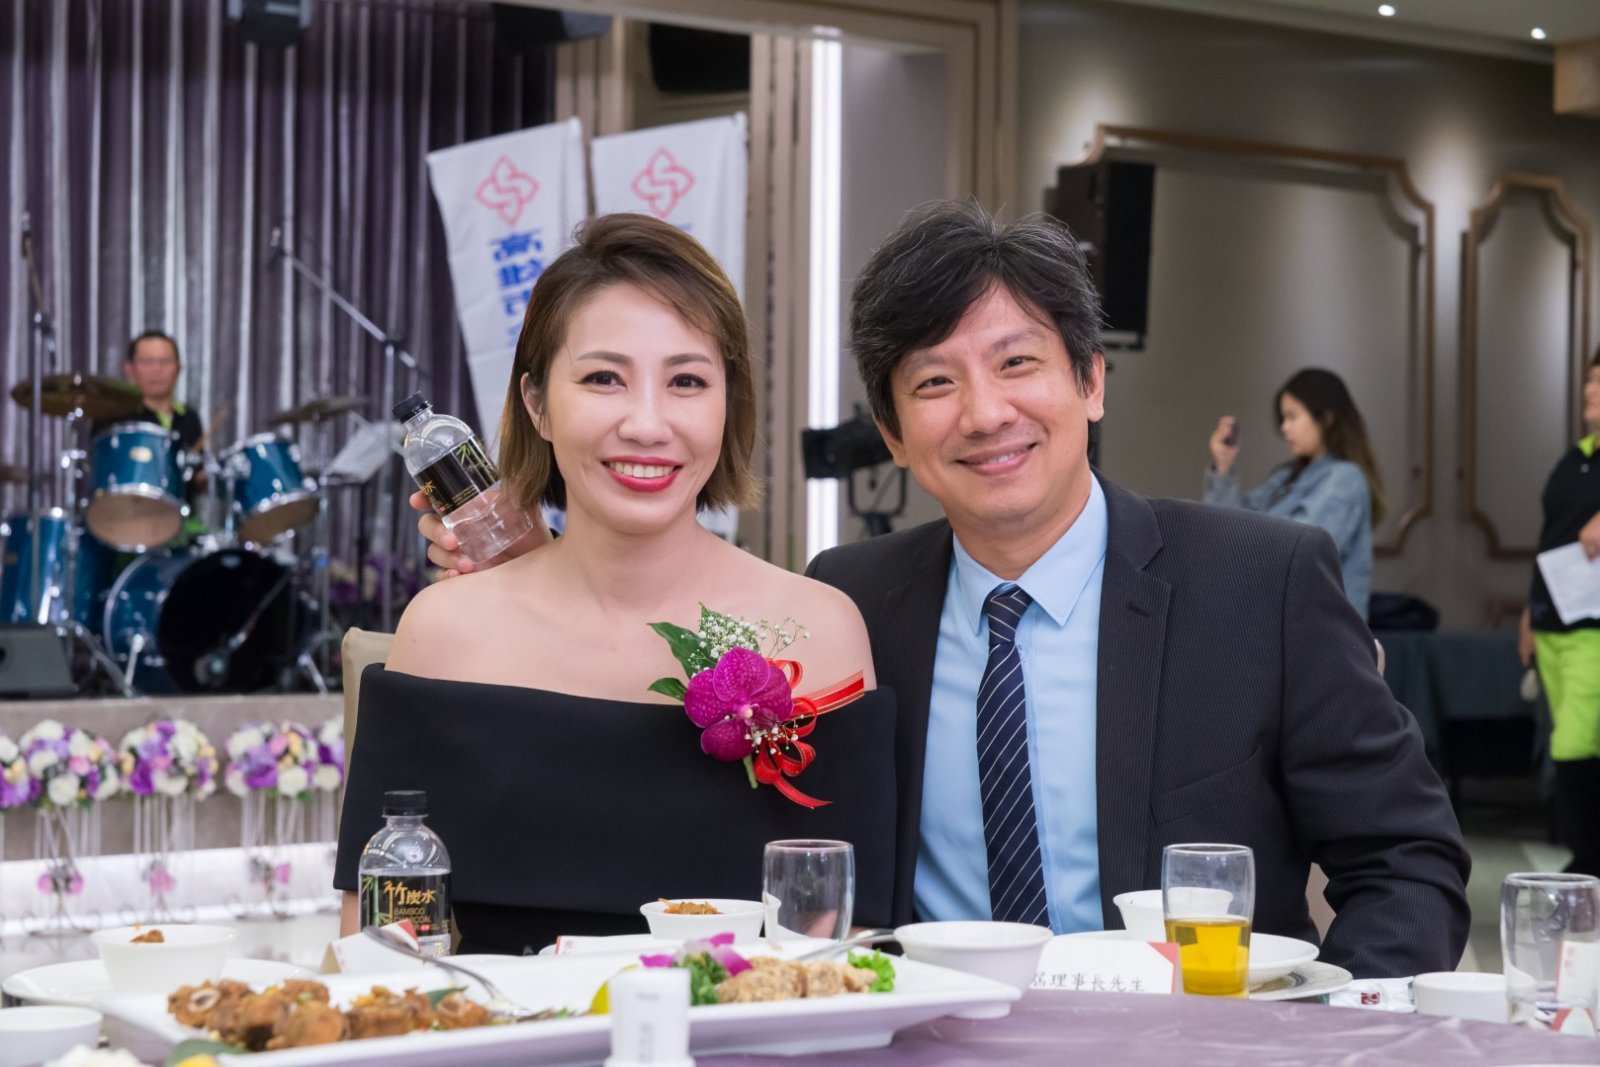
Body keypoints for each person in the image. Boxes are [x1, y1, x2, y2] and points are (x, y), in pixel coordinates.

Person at [417, 201, 1469, 978]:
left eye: (1017, 364)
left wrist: (1319, 1039)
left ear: (1090, 380)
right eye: (934, 381)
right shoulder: (842, 607)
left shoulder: (1257, 582)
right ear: (891, 431)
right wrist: (525, 582)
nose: (984, 413)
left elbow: (1405, 861)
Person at [336, 214, 895, 954]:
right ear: (536, 404)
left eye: (687, 381)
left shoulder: (820, 631)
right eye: (604, 378)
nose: (647, 424)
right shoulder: (446, 633)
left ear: (729, 405)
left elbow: (849, 950)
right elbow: (377, 953)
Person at [1203, 369, 1384, 620]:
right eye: (1283, 418)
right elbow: (1229, 527)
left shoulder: (1346, 479)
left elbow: (1298, 554)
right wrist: (1223, 467)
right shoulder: (1287, 476)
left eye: (1292, 416)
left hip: (1320, 633)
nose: (1284, 427)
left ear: (1326, 418)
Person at [1518, 349, 1600, 877]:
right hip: (1553, 621)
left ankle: (1586, 860)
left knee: (1575, 741)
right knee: (1566, 741)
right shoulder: (1575, 458)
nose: (1590, 391)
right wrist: (1530, 614)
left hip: (1592, 629)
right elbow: (1551, 538)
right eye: (1590, 381)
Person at [99, 330, 205, 450]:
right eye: (147, 361)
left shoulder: (190, 418)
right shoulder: (112, 418)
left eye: (165, 361)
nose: (157, 369)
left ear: (178, 368)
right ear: (129, 369)